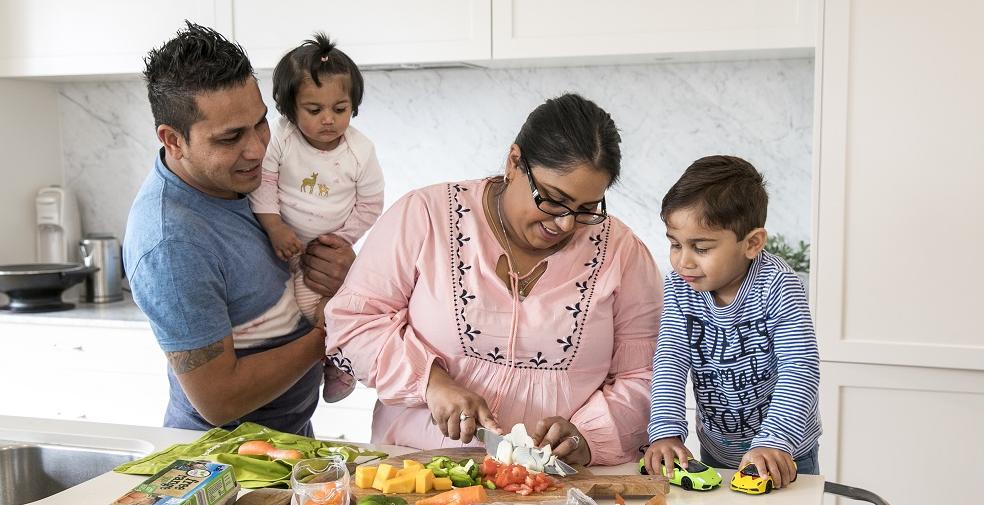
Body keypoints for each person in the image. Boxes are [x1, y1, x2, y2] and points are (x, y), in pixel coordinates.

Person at [324, 93, 663, 466]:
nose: (566, 224)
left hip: (549, 485)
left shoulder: (623, 253)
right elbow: (354, 324)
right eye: (552, 199)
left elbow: (646, 375)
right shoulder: (425, 216)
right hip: (414, 472)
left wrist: (588, 436)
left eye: (586, 209)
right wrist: (432, 382)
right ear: (514, 162)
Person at [123, 22, 355, 436]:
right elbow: (219, 399)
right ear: (172, 140)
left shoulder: (243, 174)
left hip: (289, 442)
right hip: (224, 467)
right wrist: (333, 330)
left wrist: (340, 269)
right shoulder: (172, 244)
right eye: (230, 137)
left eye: (261, 124)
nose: (257, 149)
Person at [643, 155, 821, 488]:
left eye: (701, 247)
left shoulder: (778, 285)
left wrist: (774, 441)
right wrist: (665, 431)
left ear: (752, 243)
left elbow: (800, 367)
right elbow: (671, 358)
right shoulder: (680, 286)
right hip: (716, 450)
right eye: (675, 244)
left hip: (784, 451)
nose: (684, 261)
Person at [248, 33, 384, 402]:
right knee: (296, 310)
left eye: (339, 109)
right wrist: (274, 226)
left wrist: (340, 240)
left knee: (328, 306)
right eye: (314, 110)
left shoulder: (360, 151)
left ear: (352, 106)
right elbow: (265, 184)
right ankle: (323, 361)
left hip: (325, 250)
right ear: (290, 109)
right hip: (283, 244)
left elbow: (371, 204)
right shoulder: (282, 139)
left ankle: (340, 363)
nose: (328, 120)